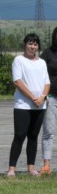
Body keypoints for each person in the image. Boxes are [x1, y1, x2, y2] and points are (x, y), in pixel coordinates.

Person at [7, 33, 49, 177]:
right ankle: (11, 169)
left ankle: (31, 168)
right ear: (25, 45)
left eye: (35, 44)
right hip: (23, 105)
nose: (33, 47)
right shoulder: (19, 60)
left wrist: (42, 97)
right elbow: (17, 81)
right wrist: (32, 97)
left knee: (33, 136)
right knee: (19, 135)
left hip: (40, 106)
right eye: (30, 43)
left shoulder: (42, 62)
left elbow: (47, 82)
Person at [40, 27, 57, 176]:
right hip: (51, 97)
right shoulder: (47, 53)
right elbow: (39, 72)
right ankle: (46, 164)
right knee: (49, 132)